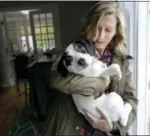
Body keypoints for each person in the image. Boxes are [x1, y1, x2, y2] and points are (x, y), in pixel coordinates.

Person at [39, 1, 138, 136]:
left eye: (108, 30)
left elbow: (131, 100)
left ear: (116, 32)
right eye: (97, 27)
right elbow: (56, 79)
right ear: (89, 26)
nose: (100, 36)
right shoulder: (74, 50)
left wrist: (112, 127)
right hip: (70, 129)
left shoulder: (122, 62)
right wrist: (99, 84)